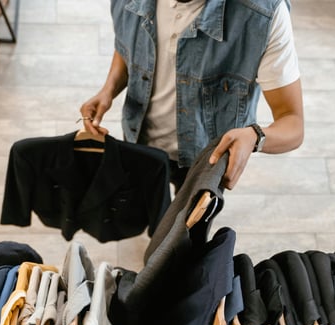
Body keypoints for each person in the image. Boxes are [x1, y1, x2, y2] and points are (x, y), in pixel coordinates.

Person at [79, 0, 304, 192]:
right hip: (139, 141)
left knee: (183, 228)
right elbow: (129, 40)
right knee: (143, 212)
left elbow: (292, 123)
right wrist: (108, 90)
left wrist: (254, 136)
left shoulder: (263, 14)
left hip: (205, 161)